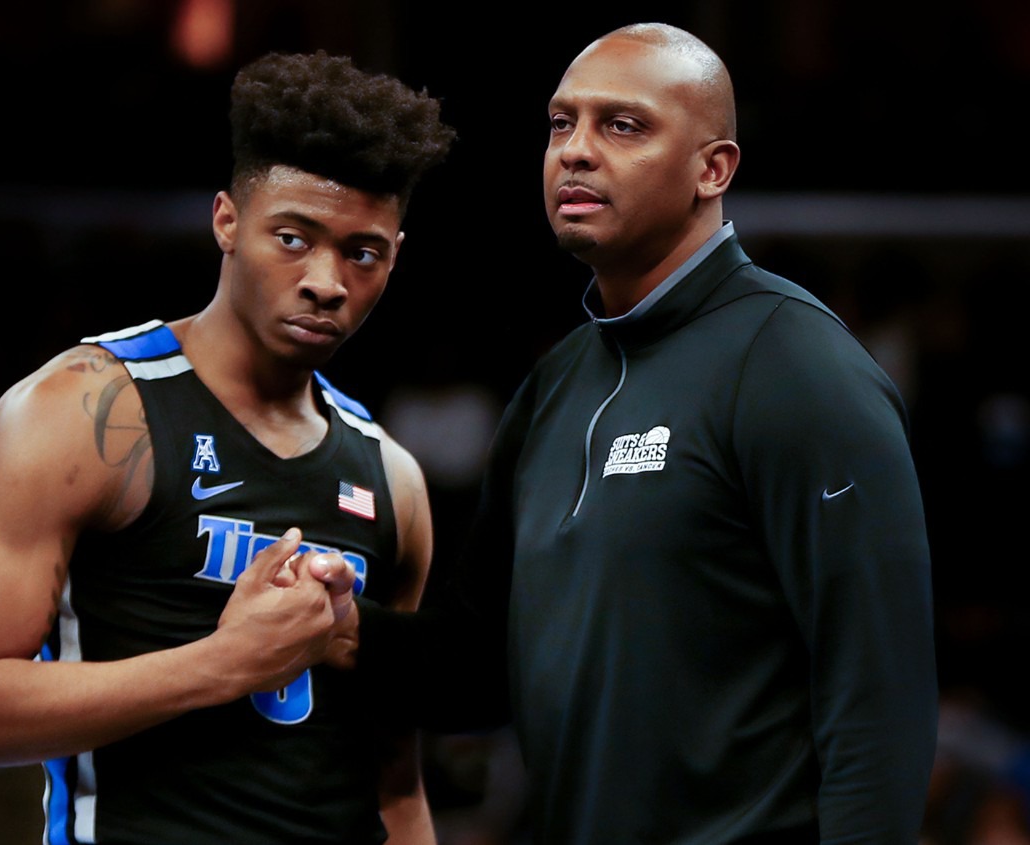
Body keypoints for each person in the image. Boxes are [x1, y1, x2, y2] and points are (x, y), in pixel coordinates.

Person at [346, 22, 939, 845]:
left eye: (623, 126)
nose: (576, 152)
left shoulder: (797, 367)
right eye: (561, 124)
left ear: (713, 168)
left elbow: (881, 700)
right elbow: (479, 674)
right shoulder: (555, 385)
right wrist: (335, 626)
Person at [0, 49, 455, 845]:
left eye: (361, 252)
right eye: (294, 238)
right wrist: (224, 663)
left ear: (394, 256)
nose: (326, 281)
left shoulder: (394, 479)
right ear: (227, 220)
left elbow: (396, 786)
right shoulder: (83, 410)